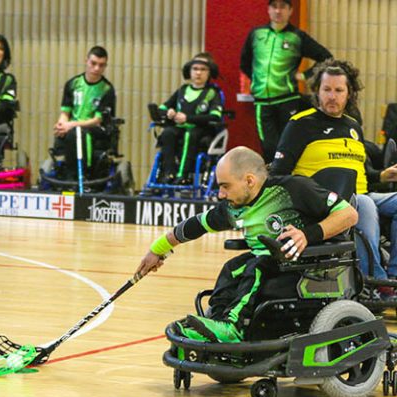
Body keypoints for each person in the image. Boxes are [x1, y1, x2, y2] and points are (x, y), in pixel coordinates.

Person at [135, 146, 358, 343]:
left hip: (307, 265)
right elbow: (194, 226)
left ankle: (233, 328)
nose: (221, 194)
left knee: (257, 266)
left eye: (225, 186)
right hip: (272, 262)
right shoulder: (234, 206)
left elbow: (349, 214)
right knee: (232, 269)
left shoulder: (292, 189)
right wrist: (157, 249)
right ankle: (216, 325)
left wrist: (307, 235)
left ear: (249, 181)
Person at [271, 59, 397, 295]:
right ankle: (372, 282)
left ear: (349, 94)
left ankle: (393, 278)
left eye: (339, 90)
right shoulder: (300, 125)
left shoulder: (353, 127)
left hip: (361, 193)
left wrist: (382, 174)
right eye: (326, 89)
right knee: (365, 204)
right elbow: (278, 174)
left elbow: (358, 172)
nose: (332, 96)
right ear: (317, 91)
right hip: (326, 201)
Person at [240, 0, 332, 163]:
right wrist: (257, 80)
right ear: (268, 10)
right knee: (268, 147)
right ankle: (274, 183)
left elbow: (326, 58)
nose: (278, 11)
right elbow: (245, 62)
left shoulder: (297, 37)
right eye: (274, 7)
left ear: (290, 11)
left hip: (287, 100)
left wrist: (304, 76)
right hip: (262, 102)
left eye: (283, 7)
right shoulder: (256, 34)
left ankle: (289, 183)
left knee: (287, 145)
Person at [156, 52, 224, 185]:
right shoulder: (182, 90)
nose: (198, 73)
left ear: (209, 73)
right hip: (180, 128)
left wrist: (188, 118)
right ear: (190, 71)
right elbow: (161, 109)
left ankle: (183, 175)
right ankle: (169, 173)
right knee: (168, 133)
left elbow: (215, 116)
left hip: (201, 130)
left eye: (203, 70)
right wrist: (169, 112)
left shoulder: (212, 93)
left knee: (190, 134)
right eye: (195, 69)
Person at [52, 45, 116, 181]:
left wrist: (72, 125)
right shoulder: (72, 84)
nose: (97, 68)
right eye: (93, 63)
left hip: (95, 128)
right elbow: (65, 112)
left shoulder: (107, 90)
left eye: (101, 65)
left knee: (77, 133)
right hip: (73, 127)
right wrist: (62, 124)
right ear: (86, 61)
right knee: (67, 132)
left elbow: (98, 120)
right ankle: (68, 173)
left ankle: (80, 174)